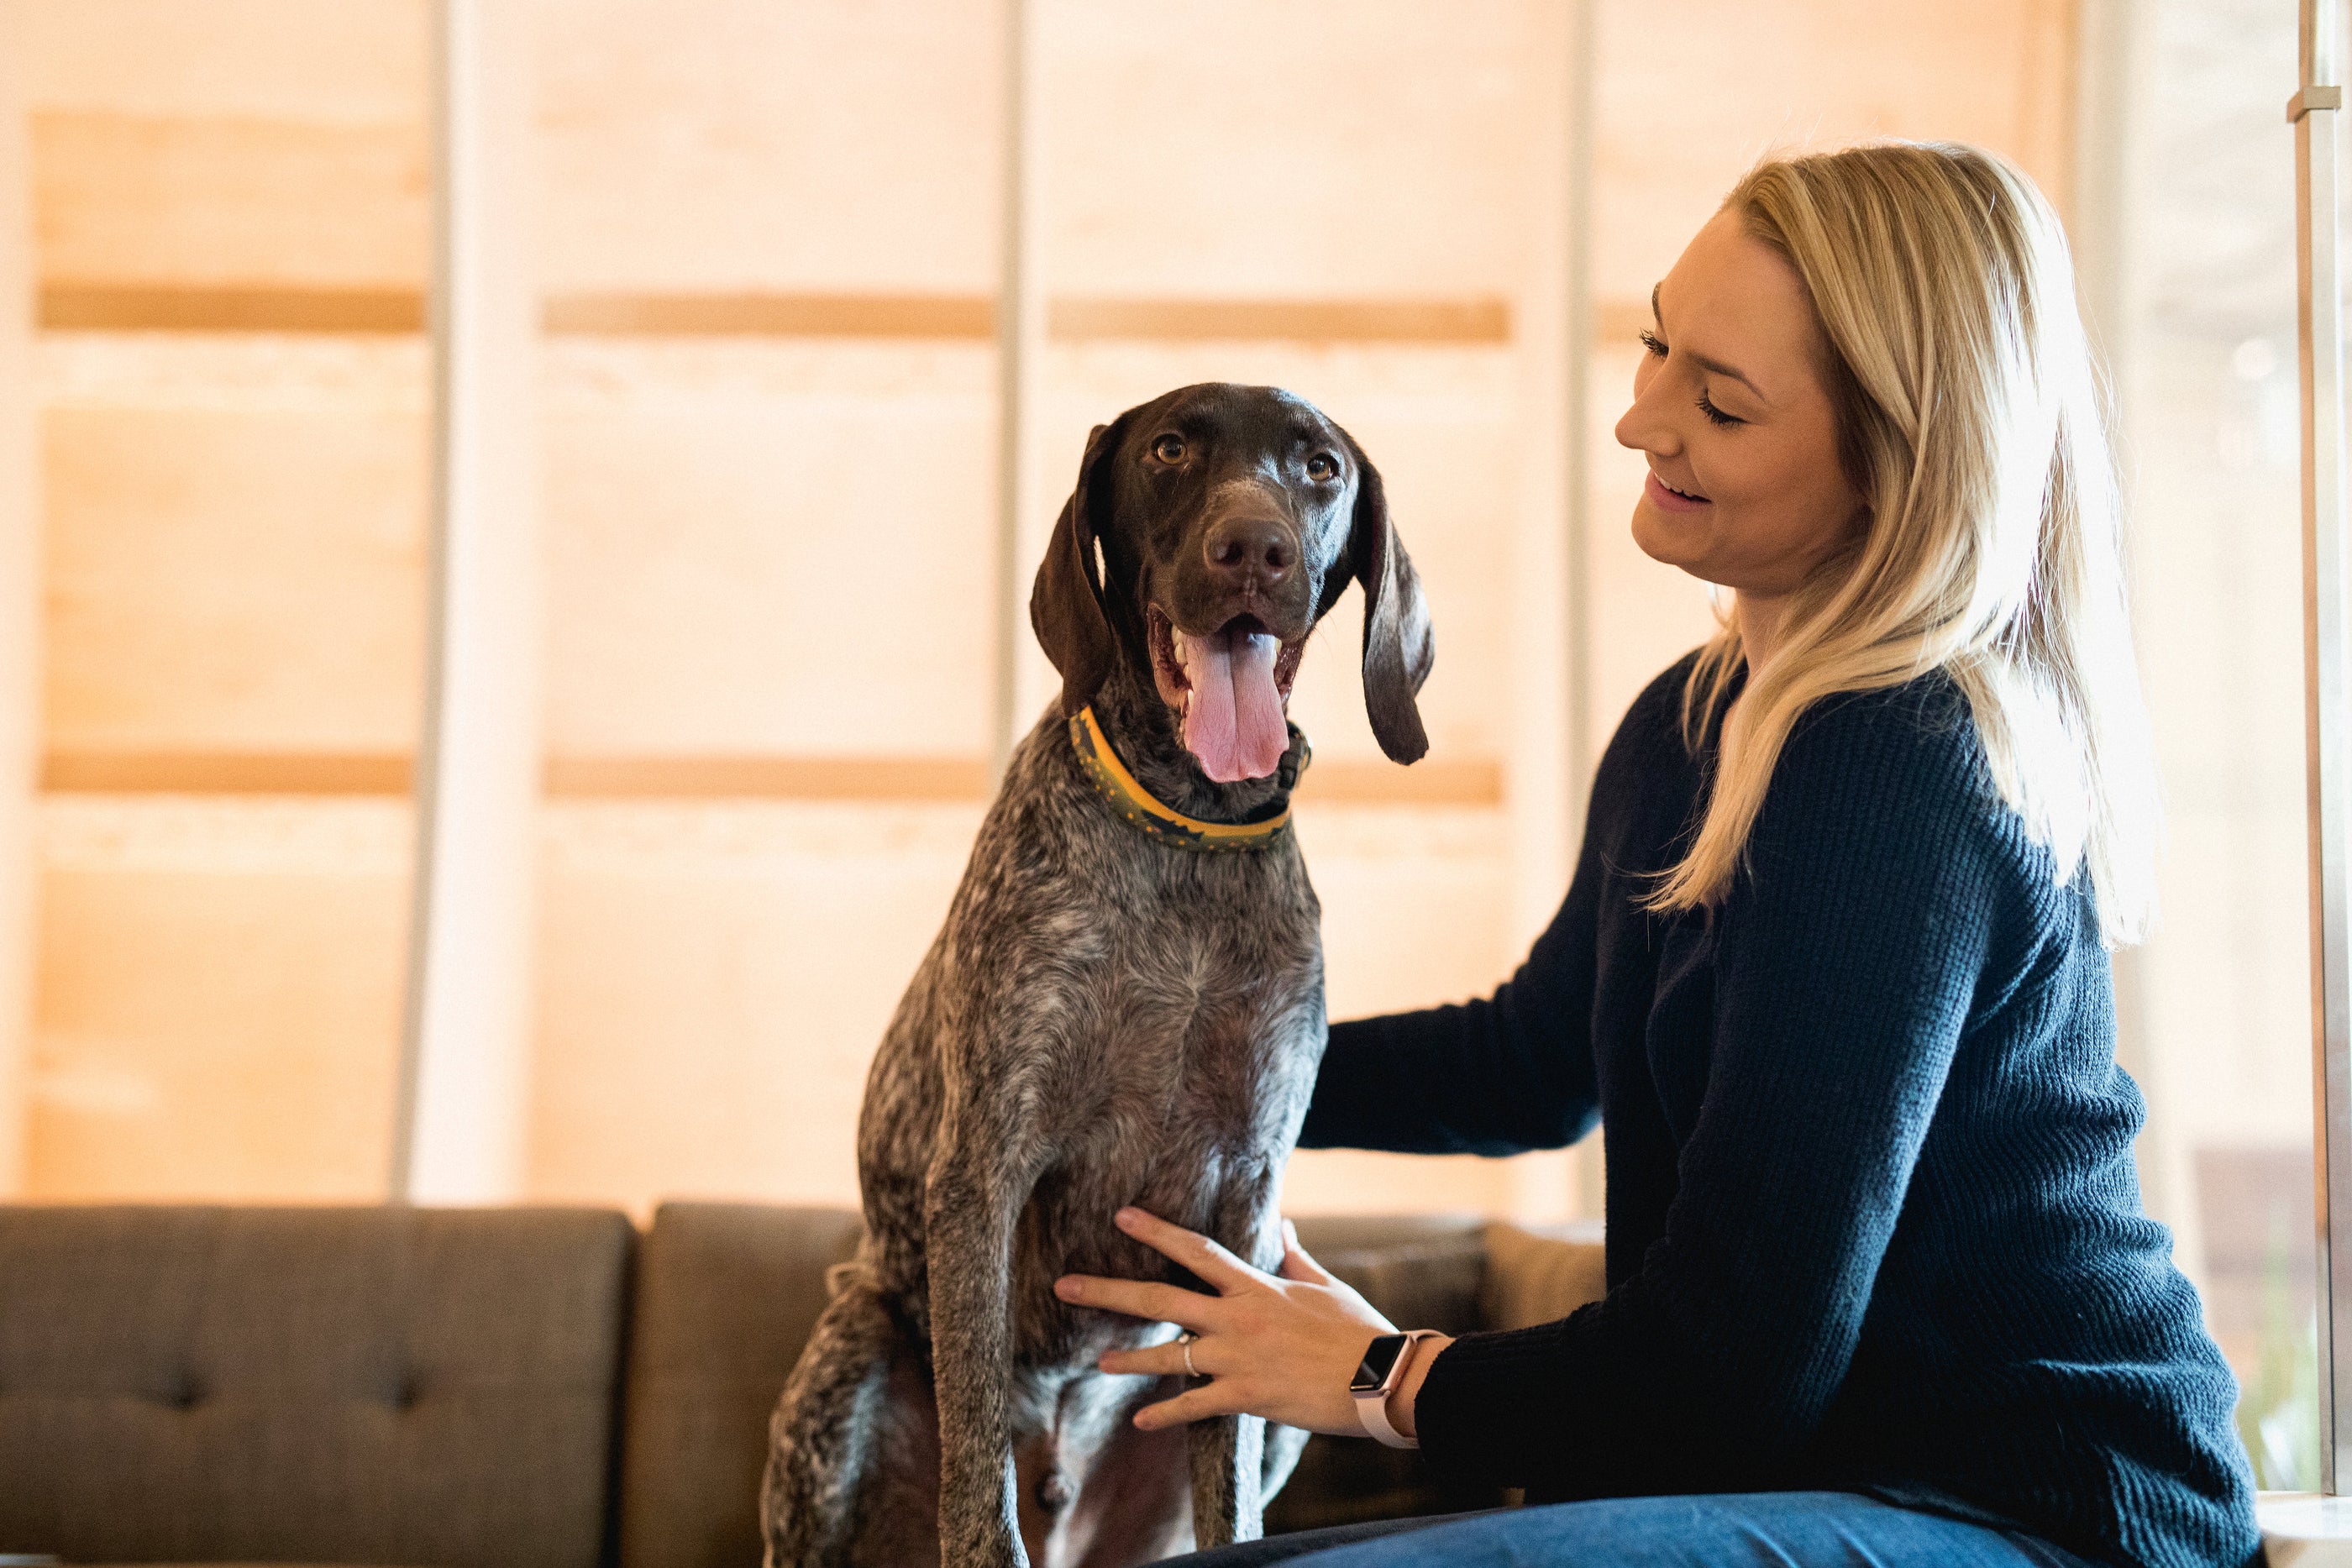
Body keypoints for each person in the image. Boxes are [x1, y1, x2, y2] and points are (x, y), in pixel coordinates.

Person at [1050, 141, 2263, 1568]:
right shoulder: (1692, 725)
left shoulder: (1901, 760)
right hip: (1830, 1489)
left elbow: (1734, 1367)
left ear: (1896, 464)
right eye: (1656, 343)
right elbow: (1534, 1059)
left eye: (1720, 402)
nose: (1640, 421)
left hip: (2037, 1515)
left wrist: (1386, 1379)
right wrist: (1160, 1073)